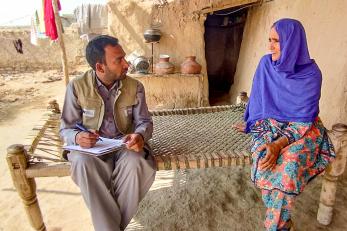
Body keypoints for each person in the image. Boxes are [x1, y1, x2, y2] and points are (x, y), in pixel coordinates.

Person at [234, 18, 335, 231]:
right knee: (263, 159)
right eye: (269, 39)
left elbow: (303, 120)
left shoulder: (311, 75)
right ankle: (283, 224)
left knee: (288, 166)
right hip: (269, 124)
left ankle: (276, 226)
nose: (270, 46)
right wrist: (250, 120)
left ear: (293, 43)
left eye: (276, 41)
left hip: (303, 128)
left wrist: (280, 144)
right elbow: (259, 100)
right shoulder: (266, 64)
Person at [60, 35, 156, 231]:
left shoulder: (135, 87)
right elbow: (66, 128)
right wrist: (78, 138)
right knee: (81, 162)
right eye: (118, 60)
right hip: (91, 152)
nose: (127, 64)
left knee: (137, 162)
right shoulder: (77, 87)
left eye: (124, 57)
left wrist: (139, 136)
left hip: (124, 147)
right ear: (100, 67)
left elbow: (144, 122)